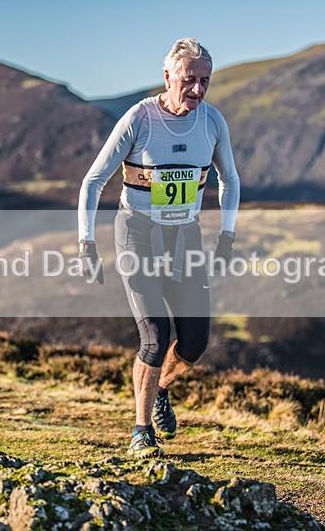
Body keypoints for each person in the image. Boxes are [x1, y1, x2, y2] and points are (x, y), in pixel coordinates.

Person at [77, 37, 240, 458]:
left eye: (205, 81)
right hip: (138, 234)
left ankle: (162, 388)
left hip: (185, 237)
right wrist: (86, 243)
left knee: (194, 343)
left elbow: (230, 180)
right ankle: (141, 430)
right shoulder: (140, 120)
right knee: (155, 336)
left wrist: (227, 236)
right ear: (167, 76)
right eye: (189, 80)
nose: (198, 90)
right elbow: (93, 181)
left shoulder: (212, 122)